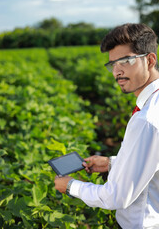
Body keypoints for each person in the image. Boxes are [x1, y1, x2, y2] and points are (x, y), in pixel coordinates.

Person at [54, 23, 159, 229]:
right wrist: (112, 163)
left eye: (126, 61)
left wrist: (70, 186)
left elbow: (117, 197)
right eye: (112, 65)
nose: (117, 72)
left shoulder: (146, 120)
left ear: (149, 60)